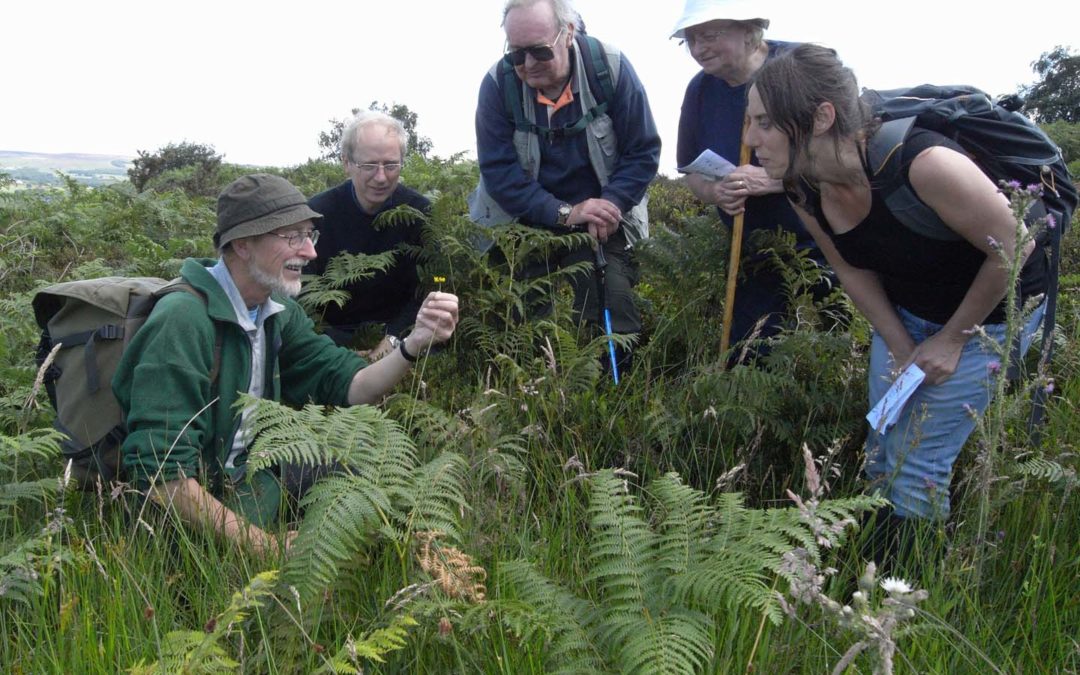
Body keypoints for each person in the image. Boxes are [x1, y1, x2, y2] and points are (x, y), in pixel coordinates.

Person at [744, 45, 1048, 542]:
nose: (750, 138)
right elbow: (850, 269)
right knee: (884, 443)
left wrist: (950, 341)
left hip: (990, 316)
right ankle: (875, 562)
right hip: (908, 313)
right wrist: (903, 346)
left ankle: (900, 595)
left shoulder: (924, 163)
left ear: (822, 117)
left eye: (764, 122)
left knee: (919, 462)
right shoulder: (802, 186)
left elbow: (1015, 248)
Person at [113, 174, 459, 555]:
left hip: (251, 477)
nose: (310, 252)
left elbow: (352, 385)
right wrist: (265, 546)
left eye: (310, 235)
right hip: (186, 512)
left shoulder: (276, 311)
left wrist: (413, 343)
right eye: (291, 236)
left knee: (365, 481)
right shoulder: (183, 320)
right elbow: (162, 474)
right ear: (243, 245)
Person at [470, 0, 661, 368]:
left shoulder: (612, 68)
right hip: (525, 217)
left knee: (612, 303)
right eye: (516, 54)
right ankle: (536, 390)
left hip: (601, 215)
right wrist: (564, 213)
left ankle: (614, 398)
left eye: (539, 52)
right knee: (523, 313)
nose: (527, 65)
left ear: (568, 33)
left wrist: (612, 205)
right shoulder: (497, 85)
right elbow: (498, 172)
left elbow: (643, 151)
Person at [672, 0, 826, 351]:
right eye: (690, 39)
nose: (699, 48)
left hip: (826, 244)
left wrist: (774, 180)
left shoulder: (803, 68)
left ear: (749, 29)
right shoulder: (699, 92)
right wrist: (716, 193)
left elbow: (848, 152)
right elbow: (690, 171)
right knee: (752, 356)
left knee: (837, 344)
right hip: (753, 255)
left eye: (709, 35)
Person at [306, 111, 430, 359]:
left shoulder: (421, 214)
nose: (381, 177)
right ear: (346, 163)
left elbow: (430, 288)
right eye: (369, 165)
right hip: (329, 340)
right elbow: (302, 296)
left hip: (401, 337)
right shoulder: (316, 215)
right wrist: (335, 347)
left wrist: (393, 340)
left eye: (391, 165)